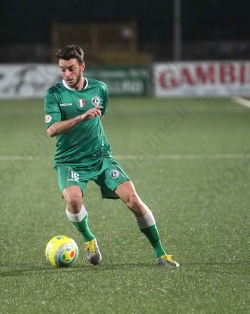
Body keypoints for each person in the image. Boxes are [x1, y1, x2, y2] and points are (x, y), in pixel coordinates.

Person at [43, 44, 179, 267]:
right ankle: (89, 239)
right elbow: (51, 130)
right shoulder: (54, 94)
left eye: (71, 68)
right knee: (74, 200)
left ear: (82, 66)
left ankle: (161, 254)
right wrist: (80, 117)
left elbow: (100, 115)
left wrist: (90, 127)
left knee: (134, 201)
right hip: (69, 161)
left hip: (100, 158)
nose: (66, 74)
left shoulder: (100, 89)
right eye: (62, 69)